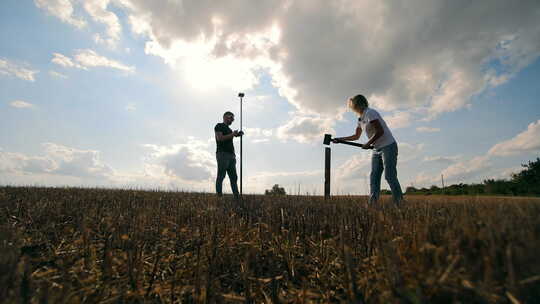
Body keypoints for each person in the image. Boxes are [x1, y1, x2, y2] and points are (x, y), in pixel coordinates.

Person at [333, 94, 403, 206]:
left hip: (388, 146)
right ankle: (373, 204)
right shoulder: (360, 119)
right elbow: (356, 136)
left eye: (353, 106)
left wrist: (368, 143)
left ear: (359, 104)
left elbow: (380, 131)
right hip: (376, 149)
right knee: (374, 177)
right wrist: (339, 139)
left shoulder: (370, 113)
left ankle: (399, 202)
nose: (352, 109)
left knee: (389, 175)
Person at [214, 111, 243, 198]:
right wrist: (233, 134)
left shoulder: (229, 130)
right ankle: (219, 197)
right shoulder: (219, 126)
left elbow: (230, 136)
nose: (233, 120)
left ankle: (237, 197)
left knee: (234, 177)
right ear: (226, 117)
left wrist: (237, 135)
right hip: (222, 154)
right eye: (231, 118)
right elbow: (220, 138)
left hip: (231, 155)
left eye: (233, 119)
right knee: (221, 176)